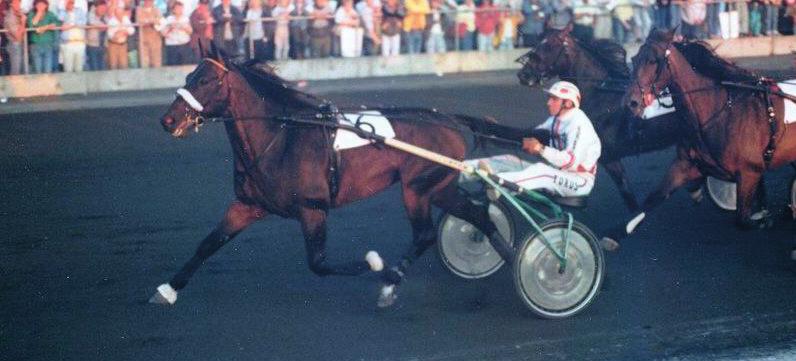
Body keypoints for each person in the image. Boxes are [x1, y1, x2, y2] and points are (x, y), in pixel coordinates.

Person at [465, 81, 602, 198]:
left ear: (567, 103)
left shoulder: (579, 124)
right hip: (558, 174)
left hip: (579, 181)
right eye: (549, 98)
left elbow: (571, 162)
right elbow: (527, 135)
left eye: (554, 99)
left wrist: (541, 149)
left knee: (541, 171)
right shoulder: (555, 120)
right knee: (507, 159)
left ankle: (498, 184)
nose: (548, 103)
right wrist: (494, 130)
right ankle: (458, 170)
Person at [27, 0, 62, 74]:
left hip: (48, 44)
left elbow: (56, 24)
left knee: (48, 70)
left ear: (46, 5)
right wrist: (39, 13)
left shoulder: (50, 14)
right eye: (38, 4)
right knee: (37, 70)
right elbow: (32, 25)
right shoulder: (31, 14)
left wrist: (43, 28)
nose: (40, 6)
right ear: (35, 6)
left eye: (42, 4)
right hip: (36, 45)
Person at [136, 0, 165, 67]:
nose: (148, 2)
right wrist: (151, 20)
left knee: (156, 61)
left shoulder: (157, 10)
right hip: (144, 40)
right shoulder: (139, 9)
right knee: (144, 62)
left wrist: (150, 21)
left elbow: (159, 21)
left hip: (156, 40)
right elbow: (139, 21)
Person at [106, 4, 134, 69]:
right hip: (113, 46)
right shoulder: (111, 21)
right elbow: (110, 35)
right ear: (115, 14)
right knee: (113, 65)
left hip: (123, 45)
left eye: (121, 13)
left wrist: (123, 32)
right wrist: (121, 32)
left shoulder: (125, 19)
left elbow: (132, 30)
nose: (120, 15)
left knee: (124, 65)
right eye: (118, 14)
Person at [4, 0, 26, 74]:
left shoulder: (20, 13)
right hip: (14, 45)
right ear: (11, 4)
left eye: (19, 3)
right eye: (15, 3)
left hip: (21, 44)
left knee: (22, 68)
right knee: (16, 69)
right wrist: (23, 22)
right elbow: (18, 36)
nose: (18, 5)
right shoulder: (10, 17)